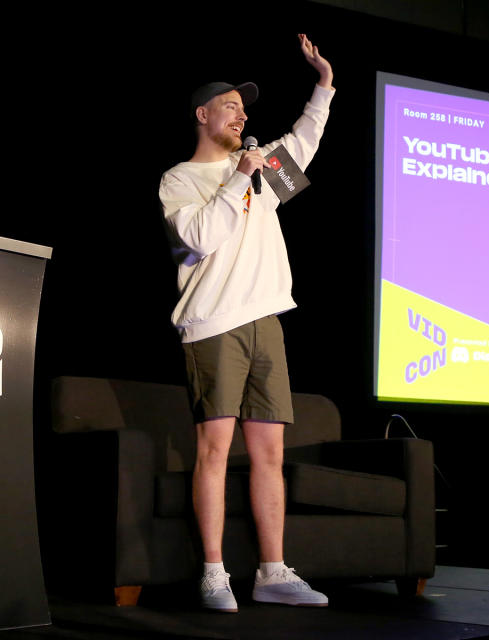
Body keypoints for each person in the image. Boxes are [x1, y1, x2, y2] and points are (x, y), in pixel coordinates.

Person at [158, 34, 334, 612]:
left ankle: (273, 572)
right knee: (214, 450)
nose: (242, 115)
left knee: (270, 454)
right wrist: (241, 179)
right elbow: (202, 236)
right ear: (203, 115)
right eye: (230, 106)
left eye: (244, 107)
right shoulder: (180, 179)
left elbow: (303, 145)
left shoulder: (257, 170)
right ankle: (213, 574)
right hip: (212, 325)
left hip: (266, 321)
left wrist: (323, 87)